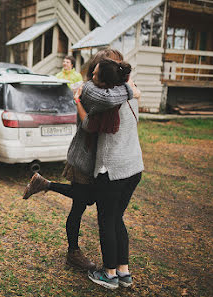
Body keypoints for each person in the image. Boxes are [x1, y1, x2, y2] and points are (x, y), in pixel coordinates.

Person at [23, 49, 135, 271]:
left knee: (89, 199)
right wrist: (131, 89)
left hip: (100, 159)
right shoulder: (94, 91)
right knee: (80, 205)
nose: (117, 70)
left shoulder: (107, 87)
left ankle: (45, 184)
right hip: (83, 156)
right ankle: (73, 252)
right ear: (98, 68)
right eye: (112, 65)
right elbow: (116, 98)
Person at [77, 59, 143, 290]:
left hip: (111, 170)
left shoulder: (105, 103)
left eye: (94, 76)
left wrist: (77, 100)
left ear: (105, 82)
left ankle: (109, 274)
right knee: (117, 219)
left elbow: (88, 125)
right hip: (134, 167)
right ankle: (124, 272)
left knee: (106, 221)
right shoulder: (132, 96)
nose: (91, 78)